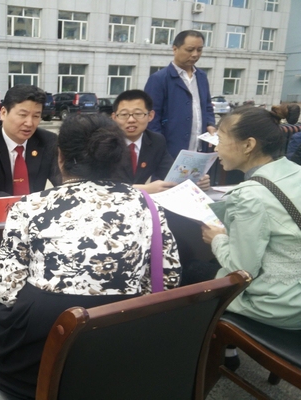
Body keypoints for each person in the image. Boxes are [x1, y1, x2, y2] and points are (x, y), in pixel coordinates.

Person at [0, 113, 182, 399]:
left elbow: (6, 290)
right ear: (115, 157)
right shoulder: (147, 203)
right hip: (124, 344)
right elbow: (169, 278)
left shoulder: (30, 206)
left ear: (60, 156)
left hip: (44, 349)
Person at [200, 106, 301, 330]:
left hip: (280, 305)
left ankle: (208, 347)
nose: (216, 148)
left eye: (220, 140)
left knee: (192, 275)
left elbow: (241, 271)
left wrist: (217, 239)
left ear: (248, 145)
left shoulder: (250, 195)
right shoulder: (295, 171)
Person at [0, 85, 62, 202]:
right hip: (1, 210)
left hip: (35, 210)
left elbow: (63, 180)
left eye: (36, 116)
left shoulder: (47, 141)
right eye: (22, 115)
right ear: (3, 113)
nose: (29, 123)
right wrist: (22, 204)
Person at [111, 89, 210, 193]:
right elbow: (102, 185)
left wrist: (196, 181)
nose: (131, 120)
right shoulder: (103, 143)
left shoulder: (156, 141)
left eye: (138, 114)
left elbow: (171, 175)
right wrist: (143, 189)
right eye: (124, 114)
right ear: (114, 117)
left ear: (150, 116)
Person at [144, 30, 216, 159]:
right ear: (175, 49)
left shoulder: (201, 76)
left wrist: (210, 124)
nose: (195, 54)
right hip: (171, 152)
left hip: (199, 149)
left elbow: (207, 106)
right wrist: (159, 149)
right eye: (190, 50)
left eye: (199, 50)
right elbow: (151, 119)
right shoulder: (159, 79)